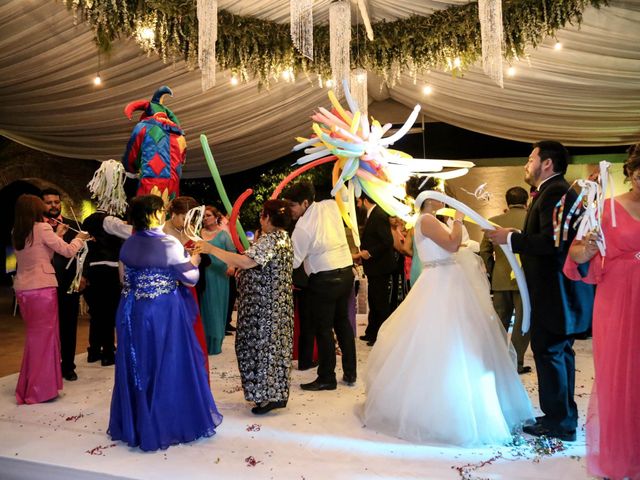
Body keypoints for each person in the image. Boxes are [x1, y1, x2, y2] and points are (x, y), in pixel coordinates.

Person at [363, 182, 534, 446]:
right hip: (439, 282)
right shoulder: (428, 219)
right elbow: (453, 244)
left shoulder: (430, 219)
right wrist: (459, 219)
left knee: (462, 339)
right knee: (443, 340)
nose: (446, 198)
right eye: (441, 193)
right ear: (430, 196)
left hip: (448, 280)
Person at [483, 141, 594, 442]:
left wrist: (513, 238)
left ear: (547, 163)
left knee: (550, 352)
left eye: (531, 158)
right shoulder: (551, 191)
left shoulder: (555, 192)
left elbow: (552, 243)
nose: (526, 163)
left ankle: (560, 421)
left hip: (555, 291)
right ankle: (561, 416)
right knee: (556, 353)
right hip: (553, 292)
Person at [108, 195, 222, 451]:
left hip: (132, 310)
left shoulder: (128, 243)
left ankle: (139, 421)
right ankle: (167, 422)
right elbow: (190, 279)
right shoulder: (168, 243)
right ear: (154, 214)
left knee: (140, 363)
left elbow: (124, 277)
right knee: (166, 362)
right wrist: (194, 259)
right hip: (162, 311)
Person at [563, 146, 640, 480]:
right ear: (631, 173)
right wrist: (589, 247)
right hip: (619, 301)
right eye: (639, 173)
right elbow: (576, 256)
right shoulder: (606, 208)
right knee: (619, 378)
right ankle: (620, 458)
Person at [196, 200, 294, 415]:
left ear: (268, 218)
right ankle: (271, 395)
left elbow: (246, 262)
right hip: (270, 307)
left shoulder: (272, 240)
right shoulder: (282, 238)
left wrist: (212, 249)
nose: (260, 219)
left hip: (264, 309)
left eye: (262, 215)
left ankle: (267, 396)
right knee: (271, 351)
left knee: (262, 350)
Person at [12, 194, 89, 404]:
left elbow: (38, 251)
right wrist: (79, 239)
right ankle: (40, 390)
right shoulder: (41, 228)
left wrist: (56, 233)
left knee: (34, 339)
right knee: (45, 339)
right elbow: (67, 251)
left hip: (24, 289)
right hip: (42, 288)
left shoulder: (17, 231)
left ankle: (30, 385)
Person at [283, 181, 356, 391]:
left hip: (324, 280)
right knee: (343, 324)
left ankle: (327, 377)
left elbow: (294, 262)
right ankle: (350, 372)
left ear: (305, 203)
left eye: (292, 206)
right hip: (345, 273)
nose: (289, 210)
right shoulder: (330, 206)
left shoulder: (302, 228)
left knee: (323, 330)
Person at [479, 186, 531, 375]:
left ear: (506, 202)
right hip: (525, 279)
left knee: (500, 321)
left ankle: (497, 361)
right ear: (526, 201)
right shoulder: (530, 220)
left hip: (500, 279)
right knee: (523, 321)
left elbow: (484, 252)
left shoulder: (493, 222)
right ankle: (515, 362)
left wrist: (493, 271)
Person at [164, 196, 210, 379]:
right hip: (167, 292)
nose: (187, 223)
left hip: (189, 291)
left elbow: (206, 261)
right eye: (184, 218)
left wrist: (198, 254)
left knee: (192, 337)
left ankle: (192, 382)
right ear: (173, 213)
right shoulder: (160, 233)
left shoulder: (190, 232)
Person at [41, 188, 82, 382]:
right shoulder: (37, 227)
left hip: (69, 283)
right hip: (44, 284)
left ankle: (68, 366)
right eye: (49, 202)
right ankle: (48, 366)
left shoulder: (74, 225)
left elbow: (85, 255)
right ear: (41, 204)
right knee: (47, 328)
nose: (53, 206)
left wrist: (84, 276)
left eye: (56, 202)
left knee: (68, 326)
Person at [354, 193, 395, 346]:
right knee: (373, 299)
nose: (358, 205)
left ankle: (381, 335)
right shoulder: (373, 215)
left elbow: (387, 241)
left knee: (380, 302)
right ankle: (371, 332)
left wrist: (369, 253)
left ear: (365, 200)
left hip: (380, 266)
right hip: (375, 266)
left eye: (358, 201)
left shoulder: (378, 215)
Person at [199, 205, 236, 354]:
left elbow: (232, 253)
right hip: (202, 274)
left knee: (217, 308)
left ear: (216, 217)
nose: (205, 218)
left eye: (208, 215)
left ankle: (215, 342)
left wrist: (231, 266)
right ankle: (203, 342)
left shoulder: (223, 235)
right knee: (204, 308)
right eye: (203, 216)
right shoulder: (198, 233)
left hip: (220, 275)